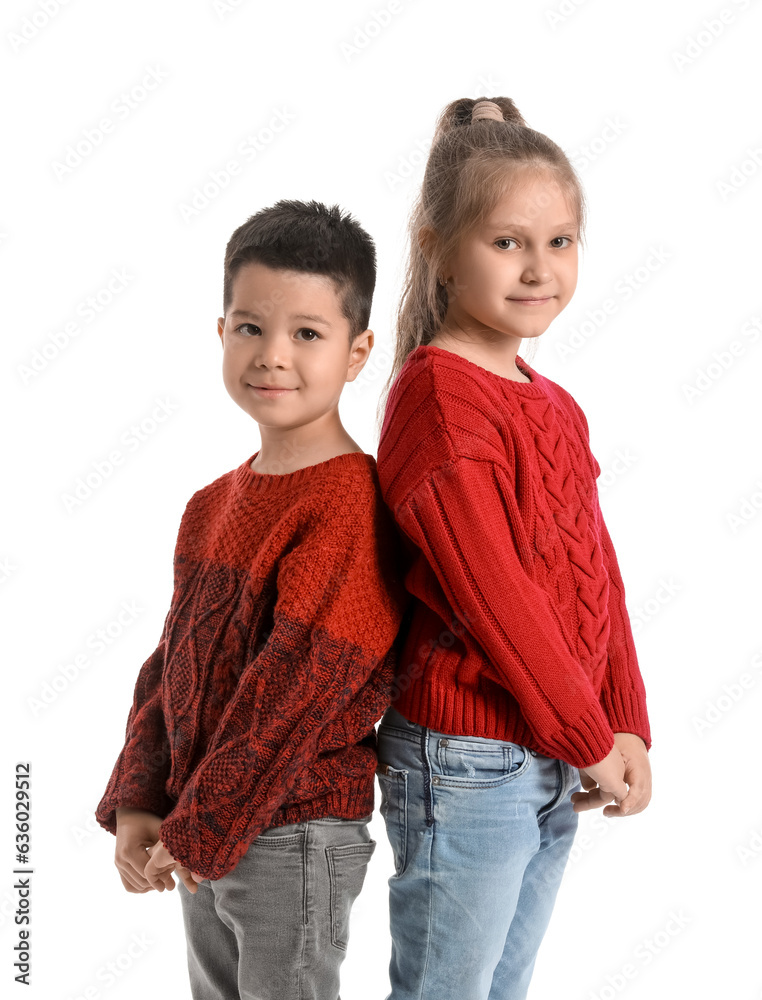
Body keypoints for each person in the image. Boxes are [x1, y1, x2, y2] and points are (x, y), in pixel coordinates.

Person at [94, 199, 410, 1000]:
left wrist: (201, 826)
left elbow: (297, 690)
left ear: (357, 351)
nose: (273, 356)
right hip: (207, 827)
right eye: (250, 327)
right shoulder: (212, 503)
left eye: (308, 333)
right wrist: (142, 796)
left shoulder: (346, 503)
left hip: (295, 833)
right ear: (222, 332)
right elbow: (172, 667)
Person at [373, 97, 653, 1000]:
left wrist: (624, 718)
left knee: (501, 989)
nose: (540, 269)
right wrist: (584, 729)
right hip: (466, 760)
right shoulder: (440, 400)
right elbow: (498, 598)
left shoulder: (553, 404)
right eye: (507, 243)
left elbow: (594, 574)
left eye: (561, 242)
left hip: (546, 744)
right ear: (438, 245)